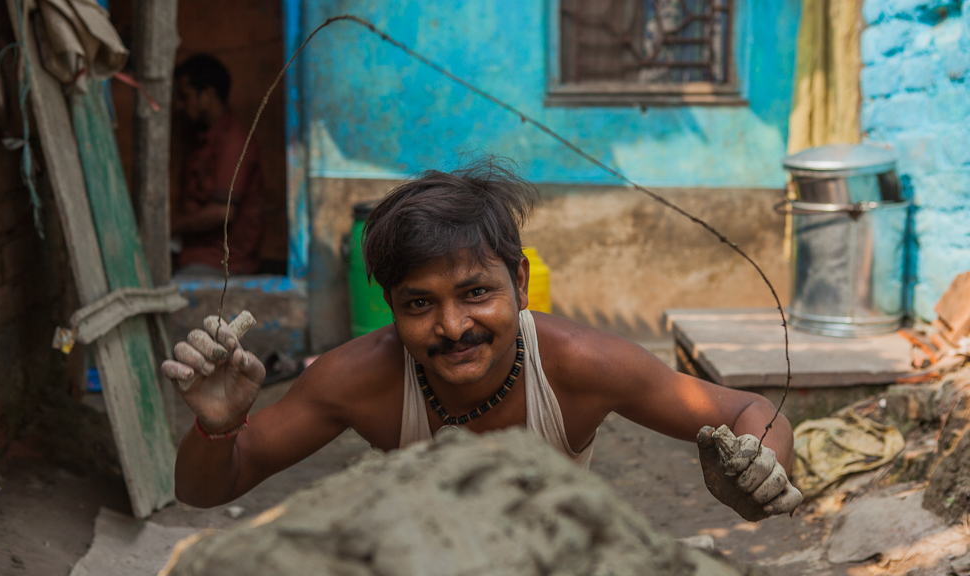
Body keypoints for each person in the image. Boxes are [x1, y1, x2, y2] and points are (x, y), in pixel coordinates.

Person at [162, 161, 803, 521]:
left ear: (519, 280)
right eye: (419, 304)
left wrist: (759, 470)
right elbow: (206, 489)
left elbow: (753, 412)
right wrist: (218, 427)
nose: (453, 327)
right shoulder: (353, 380)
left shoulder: (581, 365)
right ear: (389, 307)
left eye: (475, 293)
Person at [171, 54, 263, 276]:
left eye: (185, 96)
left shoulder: (233, 140)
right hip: (193, 254)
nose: (180, 106)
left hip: (222, 263)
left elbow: (223, 212)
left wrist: (171, 226)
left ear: (209, 95)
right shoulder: (200, 138)